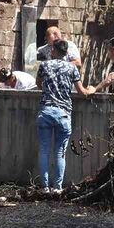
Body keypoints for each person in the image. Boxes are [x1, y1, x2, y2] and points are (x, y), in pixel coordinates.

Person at [36, 39, 93, 194]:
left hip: (46, 111)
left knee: (44, 150)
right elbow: (82, 92)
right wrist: (92, 89)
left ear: (53, 51)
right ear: (67, 53)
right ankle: (58, 187)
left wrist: (48, 91)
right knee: (60, 152)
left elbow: (38, 83)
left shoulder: (44, 65)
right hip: (63, 113)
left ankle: (45, 187)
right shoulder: (72, 68)